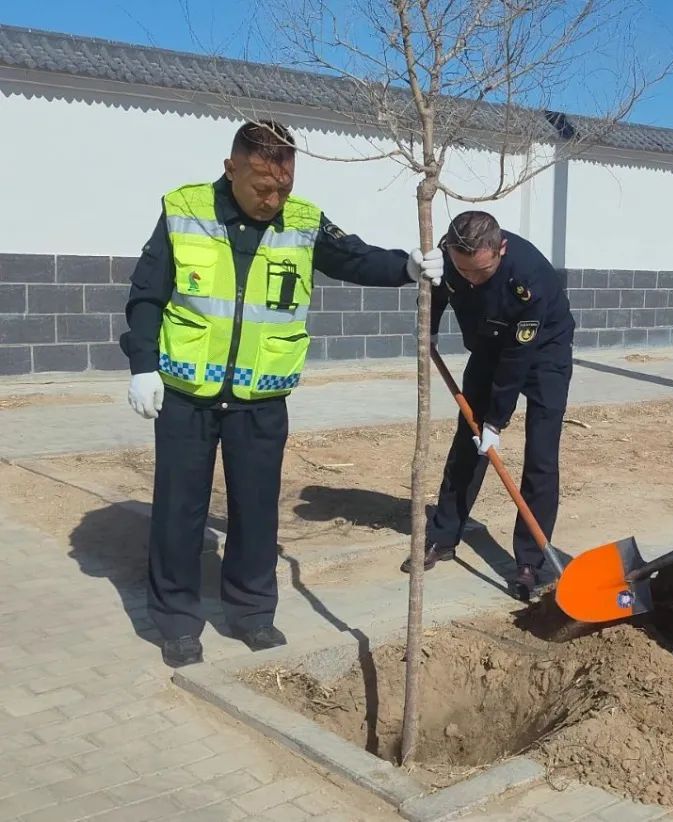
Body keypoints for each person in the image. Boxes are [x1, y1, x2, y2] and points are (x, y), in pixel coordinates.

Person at [120, 120, 442, 668]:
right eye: (262, 187)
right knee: (178, 511)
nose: (273, 199)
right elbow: (148, 294)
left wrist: (408, 266)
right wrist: (142, 365)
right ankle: (175, 619)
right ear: (232, 169)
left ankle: (251, 614)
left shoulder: (303, 220)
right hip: (186, 395)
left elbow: (355, 257)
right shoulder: (183, 210)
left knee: (255, 512)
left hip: (260, 398)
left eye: (283, 188)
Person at [401, 211, 575, 600]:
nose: (471, 280)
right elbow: (436, 292)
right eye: (464, 272)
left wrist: (496, 422)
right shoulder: (449, 259)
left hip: (543, 350)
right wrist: (426, 329)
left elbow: (516, 359)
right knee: (468, 445)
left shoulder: (529, 278)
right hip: (488, 343)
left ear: (502, 249)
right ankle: (443, 536)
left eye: (480, 272)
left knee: (541, 456)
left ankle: (530, 561)